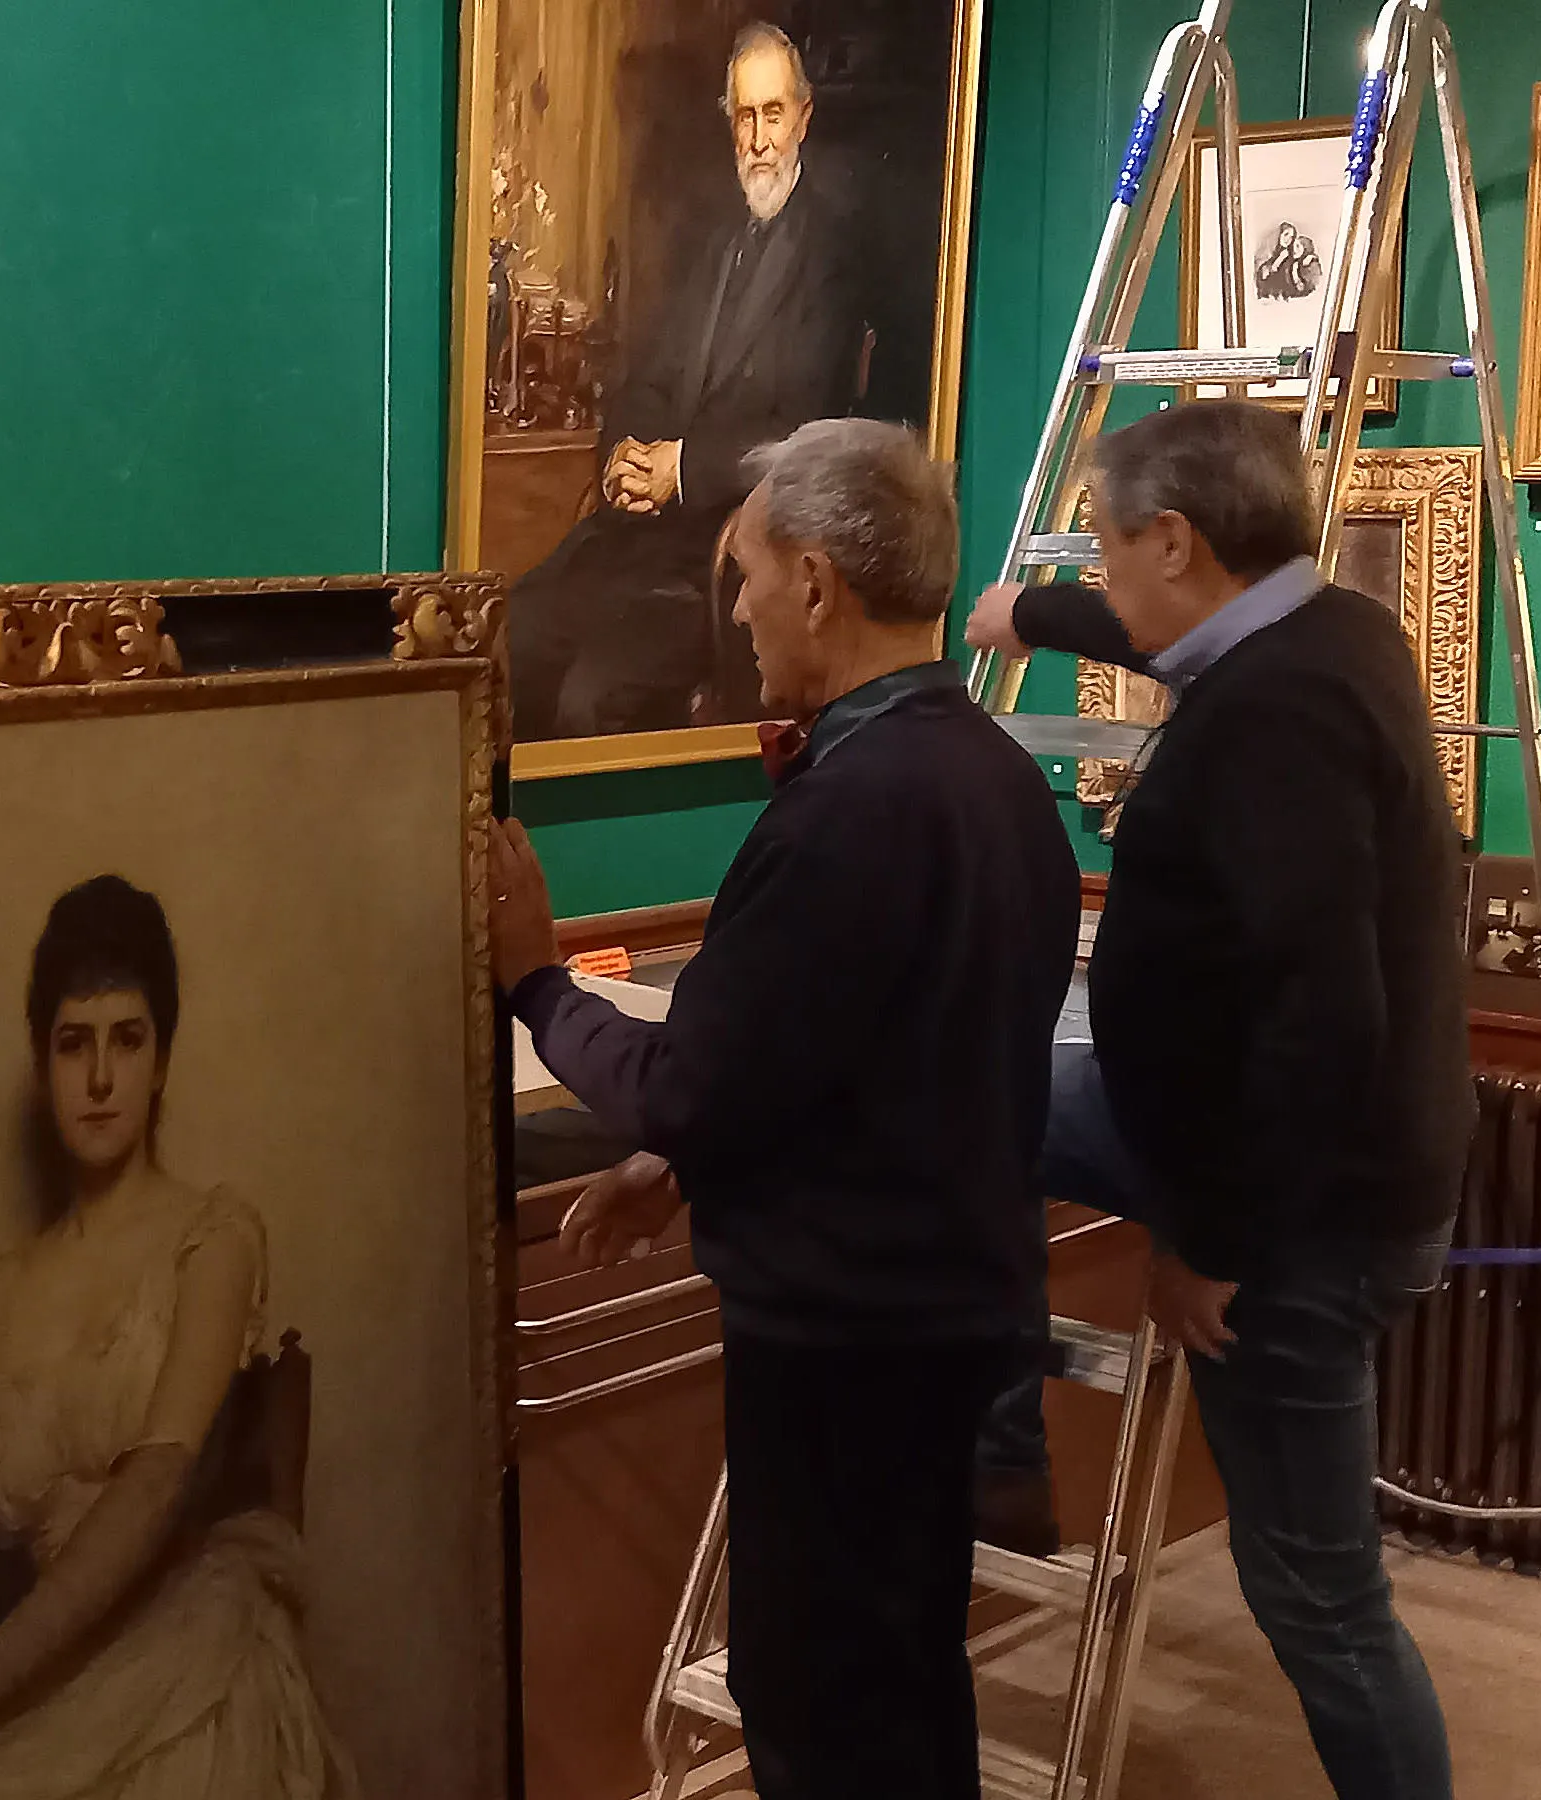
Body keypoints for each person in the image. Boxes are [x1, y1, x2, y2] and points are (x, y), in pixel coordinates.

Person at [491, 418, 1077, 1799]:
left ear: (816, 584)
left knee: (814, 1710)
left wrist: (530, 975)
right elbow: (872, 1065)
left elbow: (686, 1075)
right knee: (906, 1682)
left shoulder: (847, 812)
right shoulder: (994, 782)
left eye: (746, 573)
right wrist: (684, 1165)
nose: (738, 607)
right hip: (945, 1331)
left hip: (842, 1350)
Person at [967, 399, 1466, 1800]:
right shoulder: (1327, 631)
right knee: (976, 1088)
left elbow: (1319, 1021)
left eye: (1114, 549)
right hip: (1315, 1167)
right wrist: (1035, 612)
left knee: (1314, 1594)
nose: (1107, 576)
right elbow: (1158, 626)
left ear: (1177, 540)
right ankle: (1003, 1449)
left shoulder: (1275, 715)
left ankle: (997, 1444)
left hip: (1297, 1211)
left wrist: (1209, 1245)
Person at [0, 876, 349, 1800]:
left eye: (127, 1040)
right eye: (73, 1045)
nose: (100, 1079)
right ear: (40, 1065)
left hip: (190, 1667)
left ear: (163, 1060)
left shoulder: (211, 1239)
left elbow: (152, 1491)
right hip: (47, 1685)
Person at [506, 22, 868, 740]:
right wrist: (622, 456)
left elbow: (805, 430)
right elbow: (646, 377)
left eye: (773, 114)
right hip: (633, 538)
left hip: (723, 556)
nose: (759, 139)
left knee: (592, 695)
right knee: (510, 635)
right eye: (745, 116)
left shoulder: (831, 253)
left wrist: (682, 469)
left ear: (803, 117)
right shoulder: (711, 241)